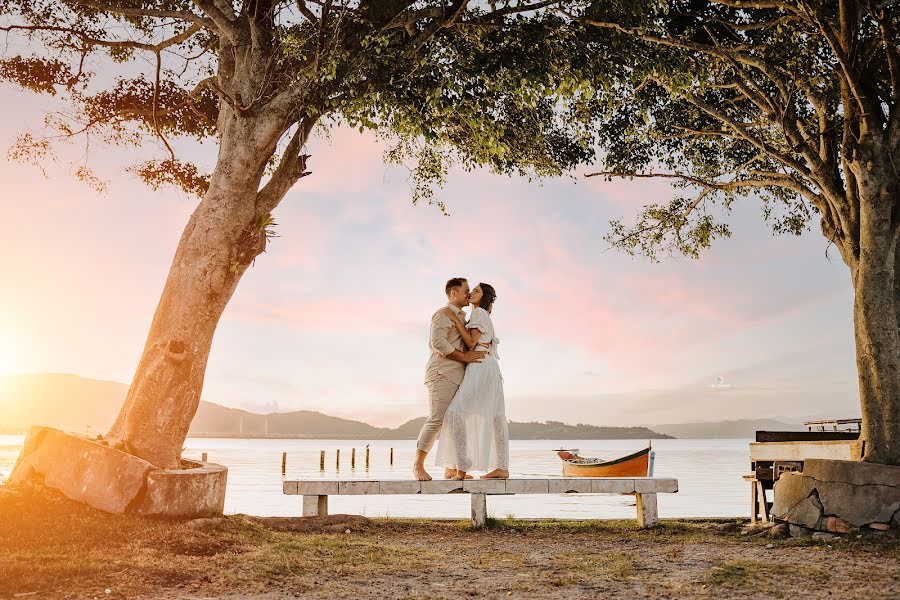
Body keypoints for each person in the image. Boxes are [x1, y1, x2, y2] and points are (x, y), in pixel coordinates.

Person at [413, 278, 486, 481]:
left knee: (455, 422)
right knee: (436, 420)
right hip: (441, 374)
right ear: (453, 293)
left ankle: (451, 468)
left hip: (458, 376)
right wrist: (464, 357)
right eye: (466, 290)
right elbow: (438, 343)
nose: (468, 294)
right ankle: (417, 466)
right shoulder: (442, 314)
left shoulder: (462, 317)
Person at [435, 283, 509, 480]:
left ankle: (461, 467)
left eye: (476, 291)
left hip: (480, 366)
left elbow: (470, 342)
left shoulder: (479, 313)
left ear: (483, 297)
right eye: (471, 289)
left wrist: (455, 321)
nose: (471, 293)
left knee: (455, 413)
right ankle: (501, 467)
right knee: (496, 416)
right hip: (487, 366)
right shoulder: (481, 314)